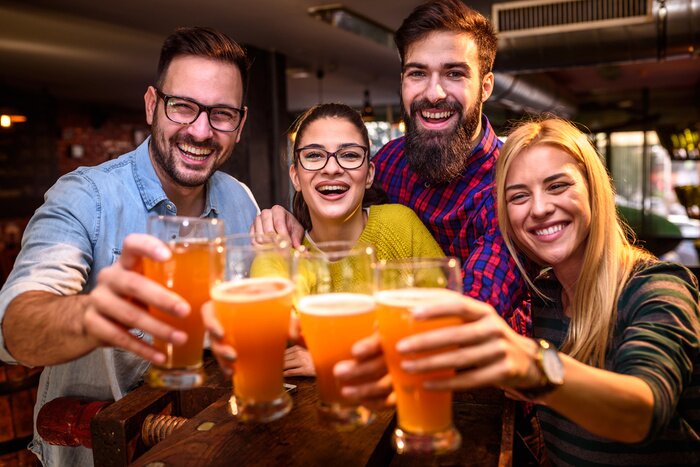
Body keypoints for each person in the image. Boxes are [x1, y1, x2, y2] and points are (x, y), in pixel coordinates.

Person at [0, 27, 259, 466]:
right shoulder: (85, 196)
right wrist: (94, 315)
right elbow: (14, 332)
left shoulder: (240, 200)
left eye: (221, 114)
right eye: (183, 107)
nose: (200, 130)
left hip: (205, 446)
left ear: (241, 122)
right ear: (151, 105)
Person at [390, 118, 700, 464]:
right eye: (519, 196)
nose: (539, 209)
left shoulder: (658, 286)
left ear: (593, 190)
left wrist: (536, 366)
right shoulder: (544, 297)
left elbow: (645, 411)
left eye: (557, 186)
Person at [254, 0, 527, 333]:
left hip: (488, 373)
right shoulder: (390, 161)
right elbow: (335, 208)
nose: (434, 93)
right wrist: (288, 218)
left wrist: (337, 345)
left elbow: (465, 318)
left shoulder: (512, 186)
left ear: (485, 86)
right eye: (418, 73)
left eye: (454, 73)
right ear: (402, 81)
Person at [215, 102, 444, 377]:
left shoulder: (399, 226)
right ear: (295, 177)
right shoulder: (279, 253)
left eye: (348, 155)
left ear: (368, 174)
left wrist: (333, 358)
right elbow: (265, 339)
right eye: (314, 156)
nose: (332, 168)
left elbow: (447, 326)